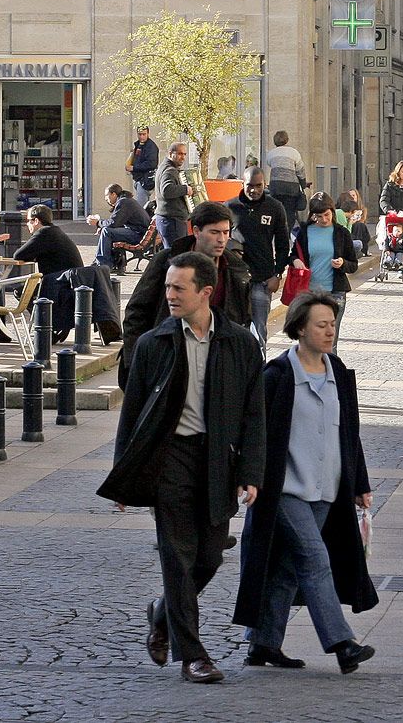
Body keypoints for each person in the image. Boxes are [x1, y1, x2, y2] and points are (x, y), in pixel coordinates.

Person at [98, 252, 266, 684]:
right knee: (177, 556)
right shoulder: (154, 343)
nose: (169, 295)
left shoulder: (240, 343)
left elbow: (253, 413)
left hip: (216, 461)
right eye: (168, 287)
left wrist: (251, 472)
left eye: (178, 288)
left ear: (205, 292)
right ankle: (194, 655)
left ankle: (162, 613)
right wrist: (124, 476)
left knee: (209, 556)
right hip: (169, 458)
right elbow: (132, 414)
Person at [233, 292, 379, 673]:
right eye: (321, 324)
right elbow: (253, 431)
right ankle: (342, 644)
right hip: (285, 490)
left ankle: (262, 643)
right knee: (315, 561)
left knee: (286, 566)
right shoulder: (277, 376)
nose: (330, 330)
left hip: (326, 489)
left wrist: (359, 483)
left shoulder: (340, 375)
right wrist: (247, 477)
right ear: (300, 328)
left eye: (332, 323)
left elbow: (350, 435)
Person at [121, 201, 252, 389]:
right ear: (196, 231)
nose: (222, 240)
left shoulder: (235, 269)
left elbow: (241, 320)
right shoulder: (166, 262)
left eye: (226, 232)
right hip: (168, 363)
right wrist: (137, 364)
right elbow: (136, 312)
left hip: (216, 369)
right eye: (214, 232)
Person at [228, 166, 292, 348]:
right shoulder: (230, 207)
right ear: (243, 184)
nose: (254, 190)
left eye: (258, 186)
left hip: (263, 280)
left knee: (259, 333)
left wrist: (278, 274)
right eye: (250, 186)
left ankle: (259, 373)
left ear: (264, 184)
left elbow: (282, 244)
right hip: (237, 280)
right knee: (237, 330)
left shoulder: (275, 207)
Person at [289, 196, 359, 329]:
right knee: (310, 336)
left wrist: (342, 263)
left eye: (327, 214)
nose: (324, 219)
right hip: (310, 292)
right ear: (313, 215)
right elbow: (293, 255)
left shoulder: (341, 233)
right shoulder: (305, 232)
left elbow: (353, 264)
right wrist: (295, 260)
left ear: (332, 211)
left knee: (330, 340)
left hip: (335, 293)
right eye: (319, 216)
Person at [91, 184, 151, 269]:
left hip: (139, 234)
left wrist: (98, 223)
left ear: (114, 194)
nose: (105, 198)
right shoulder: (126, 200)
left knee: (107, 232)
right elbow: (118, 223)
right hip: (140, 232)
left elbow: (113, 223)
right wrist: (102, 226)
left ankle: (103, 264)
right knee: (107, 230)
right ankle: (110, 262)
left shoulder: (123, 202)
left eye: (107, 195)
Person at [264, 130, 310, 224]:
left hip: (276, 187)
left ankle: (277, 231)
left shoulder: (271, 154)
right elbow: (300, 171)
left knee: (276, 211)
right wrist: (303, 184)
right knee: (289, 213)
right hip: (291, 188)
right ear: (287, 140)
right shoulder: (294, 153)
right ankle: (287, 233)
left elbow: (269, 163)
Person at [154, 142, 193, 249]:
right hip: (172, 220)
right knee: (176, 256)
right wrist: (185, 189)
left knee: (173, 255)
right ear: (171, 154)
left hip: (169, 219)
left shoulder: (165, 167)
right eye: (180, 154)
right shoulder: (169, 170)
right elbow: (166, 190)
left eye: (185, 154)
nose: (183, 157)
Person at [128, 127, 159, 200]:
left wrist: (134, 168)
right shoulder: (139, 144)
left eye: (144, 134)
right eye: (140, 134)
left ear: (148, 134)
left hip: (145, 181)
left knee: (141, 207)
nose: (141, 136)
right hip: (139, 179)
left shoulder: (150, 146)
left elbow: (151, 163)